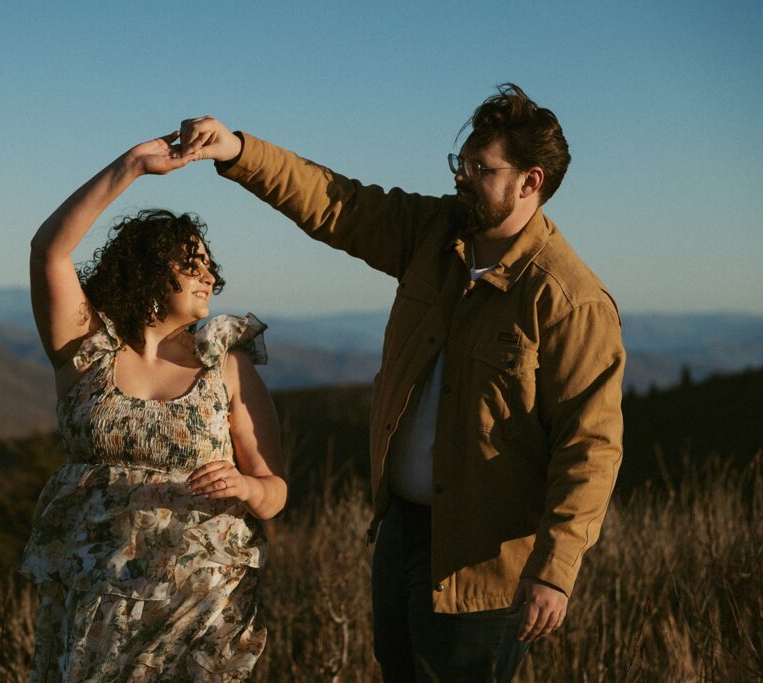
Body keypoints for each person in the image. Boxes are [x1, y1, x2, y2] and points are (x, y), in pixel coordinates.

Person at [177, 84, 625, 682]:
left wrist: (554, 568)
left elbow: (591, 447)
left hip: (481, 561)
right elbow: (339, 204)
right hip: (400, 531)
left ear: (530, 181)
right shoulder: (435, 234)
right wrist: (236, 150)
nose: (461, 177)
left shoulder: (568, 299)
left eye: (478, 168)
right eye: (459, 163)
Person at [18, 132, 287, 682]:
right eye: (192, 263)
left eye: (210, 264)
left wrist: (247, 488)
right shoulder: (86, 352)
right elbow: (49, 250)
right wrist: (134, 165)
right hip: (99, 605)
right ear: (144, 270)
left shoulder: (227, 366)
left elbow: (275, 490)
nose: (209, 275)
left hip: (203, 609)